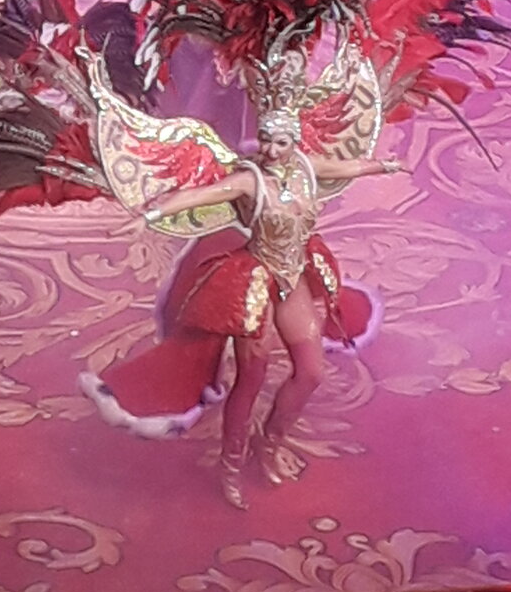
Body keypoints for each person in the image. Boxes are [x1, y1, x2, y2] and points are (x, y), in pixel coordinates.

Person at [82, 105, 403, 507]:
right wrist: (149, 216)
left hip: (293, 279)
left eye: (280, 142)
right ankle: (230, 465)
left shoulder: (307, 167)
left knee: (311, 372)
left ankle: (269, 446)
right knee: (251, 378)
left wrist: (386, 166)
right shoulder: (250, 181)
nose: (271, 150)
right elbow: (198, 195)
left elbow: (348, 167)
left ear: (294, 142)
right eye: (265, 140)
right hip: (255, 285)